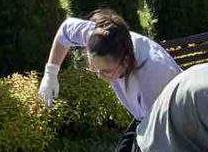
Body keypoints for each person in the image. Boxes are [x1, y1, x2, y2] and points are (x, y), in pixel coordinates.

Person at [39, 9, 182, 123]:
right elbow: (65, 30)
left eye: (106, 71)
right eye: (94, 67)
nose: (99, 75)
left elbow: (165, 132)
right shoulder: (99, 37)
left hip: (178, 119)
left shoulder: (151, 79)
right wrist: (50, 72)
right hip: (148, 117)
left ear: (125, 61)